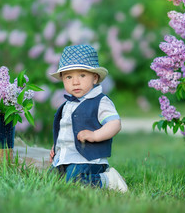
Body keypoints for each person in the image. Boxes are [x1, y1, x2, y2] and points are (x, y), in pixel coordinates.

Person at [49, 44, 128, 193]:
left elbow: (115, 123)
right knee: (50, 180)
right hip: (65, 158)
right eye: (69, 77)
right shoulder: (67, 105)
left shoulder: (100, 101)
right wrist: (57, 147)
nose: (75, 82)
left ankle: (108, 180)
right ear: (62, 79)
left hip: (88, 160)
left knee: (74, 181)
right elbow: (65, 131)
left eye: (82, 75)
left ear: (95, 78)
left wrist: (95, 135)